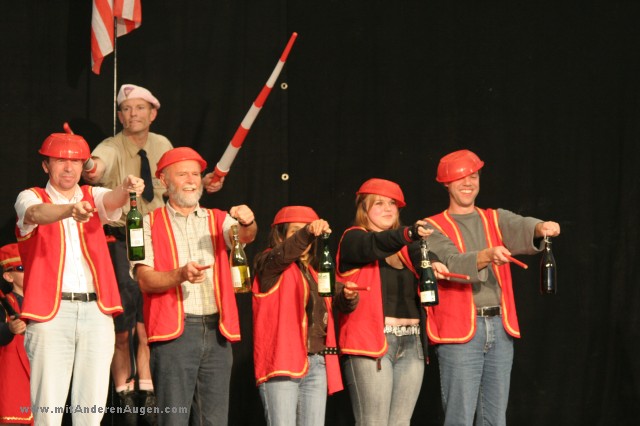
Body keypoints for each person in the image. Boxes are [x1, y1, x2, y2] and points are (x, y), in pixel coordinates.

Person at [82, 83, 223, 420]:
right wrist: (87, 164)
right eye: (126, 109)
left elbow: (179, 182)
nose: (133, 114)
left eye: (140, 108)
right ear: (119, 116)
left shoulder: (163, 145)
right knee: (124, 324)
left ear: (153, 113)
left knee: (151, 322)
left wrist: (203, 183)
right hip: (123, 240)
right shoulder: (112, 146)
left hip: (161, 238)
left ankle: (147, 388)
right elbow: (96, 168)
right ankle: (123, 392)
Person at [14, 131, 145, 425]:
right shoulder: (31, 196)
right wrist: (69, 210)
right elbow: (35, 214)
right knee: (48, 409)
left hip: (96, 312)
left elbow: (112, 199)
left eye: (75, 161)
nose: (68, 167)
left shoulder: (91, 195)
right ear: (46, 165)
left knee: (91, 411)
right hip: (51, 313)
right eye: (60, 160)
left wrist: (126, 188)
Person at [423, 149, 561, 426]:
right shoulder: (431, 226)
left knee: (495, 419)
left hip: (499, 326)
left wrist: (542, 227)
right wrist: (487, 255)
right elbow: (452, 263)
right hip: (461, 332)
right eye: (460, 178)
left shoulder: (494, 218)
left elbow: (522, 225)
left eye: (473, 176)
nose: (468, 183)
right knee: (459, 418)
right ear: (446, 183)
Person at [131, 147, 257, 425]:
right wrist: (180, 275)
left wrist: (248, 221)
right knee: (173, 419)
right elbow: (144, 279)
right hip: (175, 334)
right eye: (182, 174)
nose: (191, 180)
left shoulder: (219, 219)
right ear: (164, 181)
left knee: (214, 420)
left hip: (217, 332)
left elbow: (245, 236)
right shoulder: (146, 224)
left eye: (196, 174)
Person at [336, 178, 448, 426]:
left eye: (393, 204)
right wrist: (408, 233)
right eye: (379, 203)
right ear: (364, 208)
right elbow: (375, 244)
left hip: (411, 342)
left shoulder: (407, 246)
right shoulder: (354, 238)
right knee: (373, 422)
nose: (388, 208)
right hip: (372, 344)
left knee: (400, 422)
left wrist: (434, 262)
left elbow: (420, 252)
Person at [252, 206, 358, 426]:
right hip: (283, 362)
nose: (305, 237)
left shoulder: (314, 273)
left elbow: (336, 299)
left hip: (316, 363)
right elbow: (283, 254)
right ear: (280, 235)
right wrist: (308, 231)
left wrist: (348, 296)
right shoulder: (269, 264)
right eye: (295, 231)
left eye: (308, 232)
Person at [0, 243, 32, 425]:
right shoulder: (3, 305)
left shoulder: (45, 306)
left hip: (39, 379)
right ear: (8, 276)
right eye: (21, 268)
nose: (29, 271)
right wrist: (9, 329)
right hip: (11, 380)